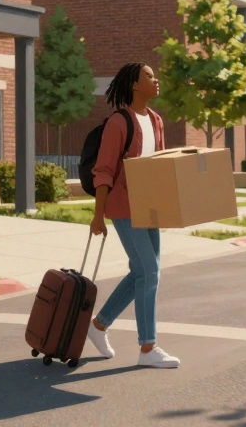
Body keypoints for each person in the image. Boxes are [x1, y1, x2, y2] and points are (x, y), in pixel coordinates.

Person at [85, 62, 181, 369]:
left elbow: (159, 167)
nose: (157, 80)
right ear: (135, 85)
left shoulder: (155, 120)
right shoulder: (119, 122)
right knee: (149, 272)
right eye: (150, 76)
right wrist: (98, 216)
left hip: (148, 207)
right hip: (123, 207)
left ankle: (98, 326)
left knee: (143, 272)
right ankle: (147, 347)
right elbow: (103, 171)